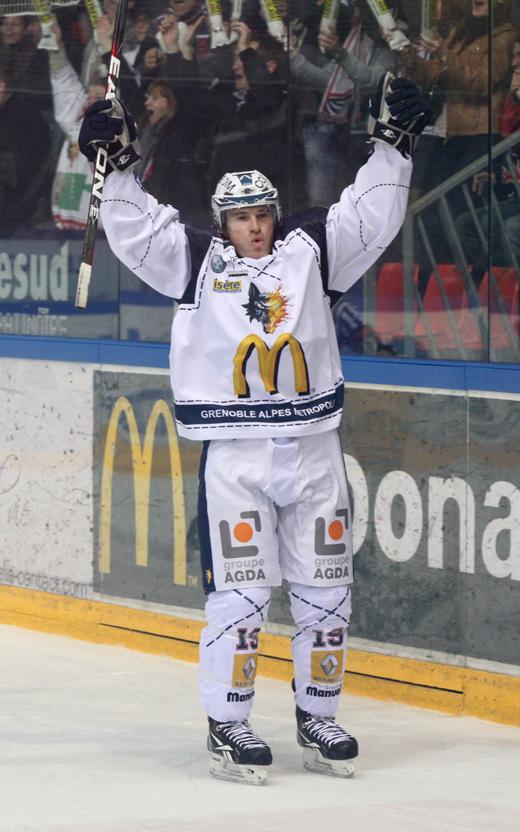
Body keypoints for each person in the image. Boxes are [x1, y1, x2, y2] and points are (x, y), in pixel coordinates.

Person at [77, 71, 430, 784]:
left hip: (314, 450)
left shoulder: (310, 254)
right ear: (222, 220)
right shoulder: (197, 263)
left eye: (264, 212)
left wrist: (393, 144)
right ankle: (229, 724)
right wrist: (112, 163)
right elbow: (140, 230)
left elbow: (369, 215)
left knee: (327, 593)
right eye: (242, 217)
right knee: (238, 600)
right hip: (234, 457)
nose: (257, 225)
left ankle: (318, 713)